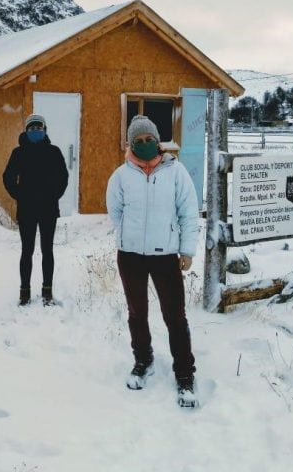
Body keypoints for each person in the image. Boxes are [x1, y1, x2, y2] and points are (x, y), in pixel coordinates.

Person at [105, 115, 200, 408]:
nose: (144, 144)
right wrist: (130, 237)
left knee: (175, 316)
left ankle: (184, 373)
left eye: (149, 139)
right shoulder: (121, 176)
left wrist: (186, 250)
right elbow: (115, 212)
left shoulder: (176, 172)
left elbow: (188, 212)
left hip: (164, 256)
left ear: (158, 142)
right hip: (130, 255)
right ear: (130, 144)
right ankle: (143, 360)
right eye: (138, 140)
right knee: (137, 313)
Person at [3, 113, 69, 306]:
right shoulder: (19, 153)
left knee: (47, 250)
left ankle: (47, 291)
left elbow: (63, 177)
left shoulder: (54, 152)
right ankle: (24, 292)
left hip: (48, 209)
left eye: (39, 128)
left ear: (45, 130)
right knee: (27, 250)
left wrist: (54, 195)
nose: (35, 131)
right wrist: (19, 195)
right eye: (32, 128)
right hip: (27, 210)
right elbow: (8, 177)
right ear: (26, 131)